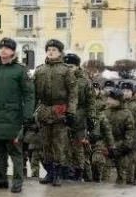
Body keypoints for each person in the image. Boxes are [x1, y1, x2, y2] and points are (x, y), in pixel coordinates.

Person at [0, 37, 35, 193]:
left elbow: (29, 95)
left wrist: (28, 116)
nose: (3, 50)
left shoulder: (20, 70)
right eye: (1, 47)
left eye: (7, 47)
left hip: (13, 117)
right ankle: (1, 180)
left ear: (13, 51)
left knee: (15, 152)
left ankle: (17, 182)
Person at [33, 39, 77, 187]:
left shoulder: (66, 71)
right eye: (49, 49)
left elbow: (73, 93)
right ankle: (49, 172)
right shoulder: (39, 70)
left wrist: (71, 112)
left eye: (54, 50)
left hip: (60, 111)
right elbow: (33, 94)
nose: (51, 52)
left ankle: (58, 173)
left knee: (59, 144)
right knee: (45, 144)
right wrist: (30, 112)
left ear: (60, 52)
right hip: (45, 111)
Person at [62, 53, 94, 182]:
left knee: (77, 146)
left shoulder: (85, 81)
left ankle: (78, 170)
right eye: (67, 66)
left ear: (77, 66)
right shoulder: (62, 78)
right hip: (63, 116)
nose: (69, 68)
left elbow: (91, 102)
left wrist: (91, 118)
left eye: (71, 66)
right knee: (64, 146)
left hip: (79, 118)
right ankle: (66, 170)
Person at [106, 89, 136, 186]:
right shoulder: (105, 112)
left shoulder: (127, 113)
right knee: (104, 173)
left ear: (118, 101)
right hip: (107, 145)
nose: (108, 101)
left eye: (111, 99)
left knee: (122, 174)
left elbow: (130, 131)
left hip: (122, 146)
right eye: (108, 99)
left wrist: (125, 147)